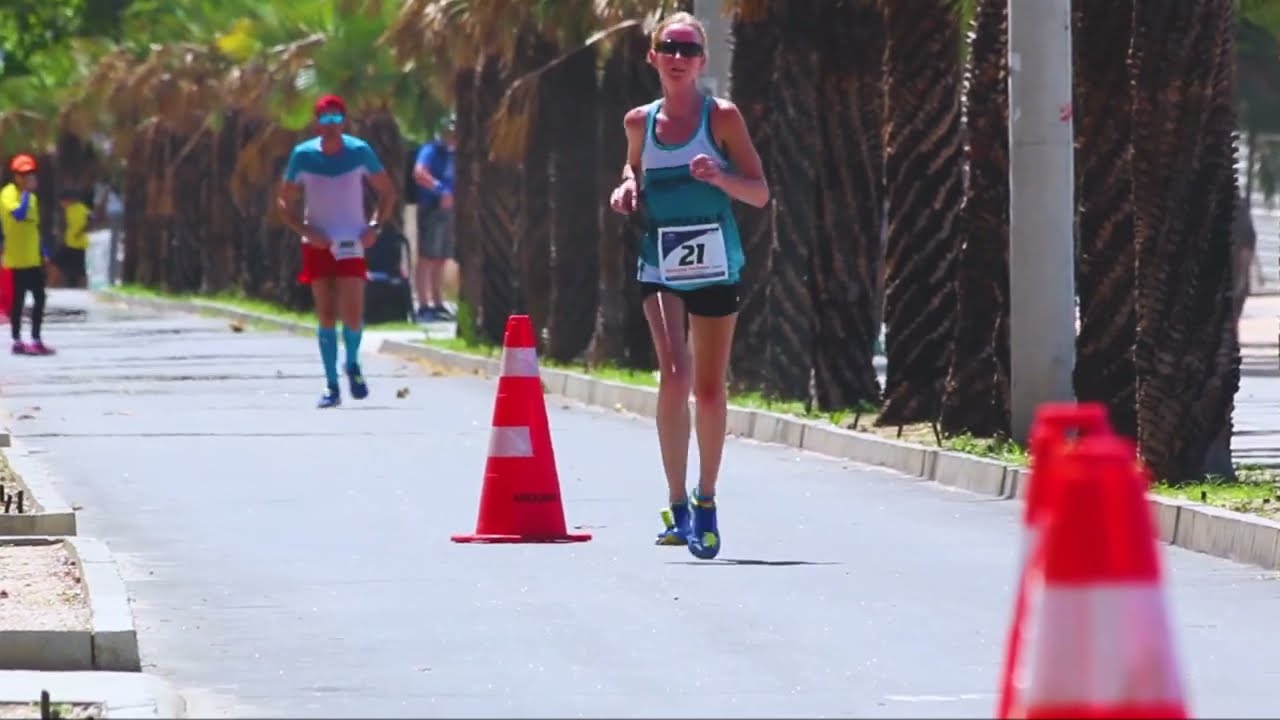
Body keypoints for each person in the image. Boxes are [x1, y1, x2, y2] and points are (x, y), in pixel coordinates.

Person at [608, 11, 769, 559]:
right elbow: (634, 170)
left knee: (708, 387)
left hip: (716, 263)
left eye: (688, 48)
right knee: (672, 374)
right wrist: (625, 189)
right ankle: (676, 503)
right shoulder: (638, 122)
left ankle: (707, 499)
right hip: (660, 262)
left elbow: (759, 192)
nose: (678, 57)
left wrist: (719, 176)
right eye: (667, 47)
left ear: (702, 60)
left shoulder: (720, 117)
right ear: (652, 56)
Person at [277, 94, 397, 408]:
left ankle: (353, 362)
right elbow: (283, 202)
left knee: (353, 314)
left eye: (336, 119)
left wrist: (374, 226)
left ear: (343, 121)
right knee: (327, 314)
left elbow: (387, 192)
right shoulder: (302, 156)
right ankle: (331, 385)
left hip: (351, 243)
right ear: (316, 122)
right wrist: (306, 232)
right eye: (324, 119)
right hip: (318, 244)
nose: (330, 125)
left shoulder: (359, 152)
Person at [1, 154, 54, 355]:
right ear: (15, 176)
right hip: (16, 260)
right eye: (22, 174)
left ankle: (36, 338)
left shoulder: (32, 198)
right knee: (18, 301)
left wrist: (44, 251)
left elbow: (34, 227)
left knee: (40, 298)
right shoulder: (7, 195)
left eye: (29, 173)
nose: (26, 177)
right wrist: (25, 193)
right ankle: (17, 340)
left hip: (32, 259)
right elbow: (19, 214)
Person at [411, 115, 457, 322]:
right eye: (450, 130)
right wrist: (440, 190)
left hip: (449, 211)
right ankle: (423, 305)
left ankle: (438, 303)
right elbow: (419, 173)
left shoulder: (454, 153)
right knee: (426, 257)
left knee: (440, 258)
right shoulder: (431, 150)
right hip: (431, 207)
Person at [57, 189, 91, 288]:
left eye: (62, 202)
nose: (62, 205)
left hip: (79, 244)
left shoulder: (81, 208)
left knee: (80, 269)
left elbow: (90, 221)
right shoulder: (68, 210)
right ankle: (68, 286)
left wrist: (80, 233)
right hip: (69, 242)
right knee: (66, 266)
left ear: (67, 200)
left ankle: (84, 288)